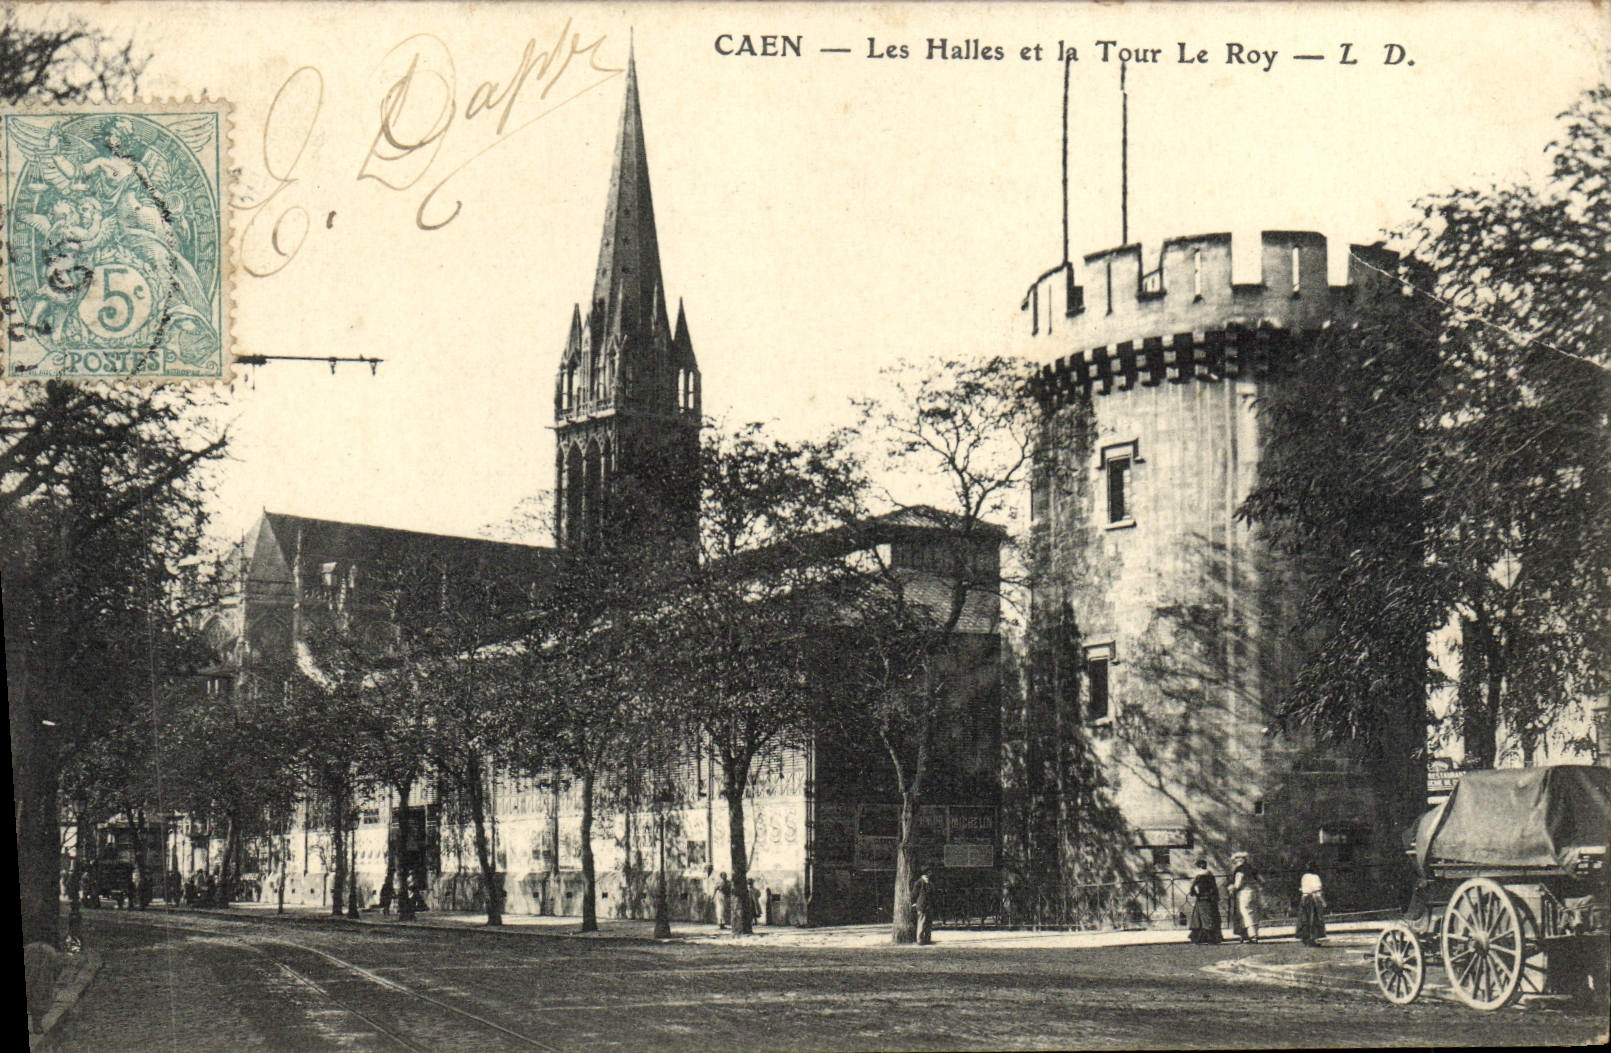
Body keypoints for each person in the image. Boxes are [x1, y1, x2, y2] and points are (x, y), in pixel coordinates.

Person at [1187, 859, 1223, 944]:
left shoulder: (1199, 876)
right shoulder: (1210, 875)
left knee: (1202, 918)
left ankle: (1205, 938)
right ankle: (1211, 937)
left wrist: (1195, 892)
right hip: (1210, 898)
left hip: (1202, 898)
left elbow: (1194, 887)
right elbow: (1214, 888)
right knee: (1209, 916)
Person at [1229, 851, 1261, 943]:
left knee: (1245, 913)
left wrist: (1231, 888)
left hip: (1244, 893)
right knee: (1253, 912)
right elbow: (1261, 880)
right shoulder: (1252, 869)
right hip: (1254, 891)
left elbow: (1238, 884)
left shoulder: (1240, 870)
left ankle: (1251, 935)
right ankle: (1252, 934)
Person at [1297, 866, 1326, 946]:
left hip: (1304, 898)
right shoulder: (1315, 877)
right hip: (1312, 899)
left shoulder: (1304, 877)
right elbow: (1317, 890)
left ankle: (1305, 938)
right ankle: (1312, 939)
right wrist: (1322, 901)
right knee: (1313, 919)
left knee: (1304, 919)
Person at [912, 871, 934, 946]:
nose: (927, 877)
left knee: (928, 923)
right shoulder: (918, 883)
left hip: (929, 905)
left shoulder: (930, 884)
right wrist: (914, 903)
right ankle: (920, 939)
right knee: (921, 922)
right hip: (921, 905)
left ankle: (928, 939)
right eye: (926, 876)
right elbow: (914, 894)